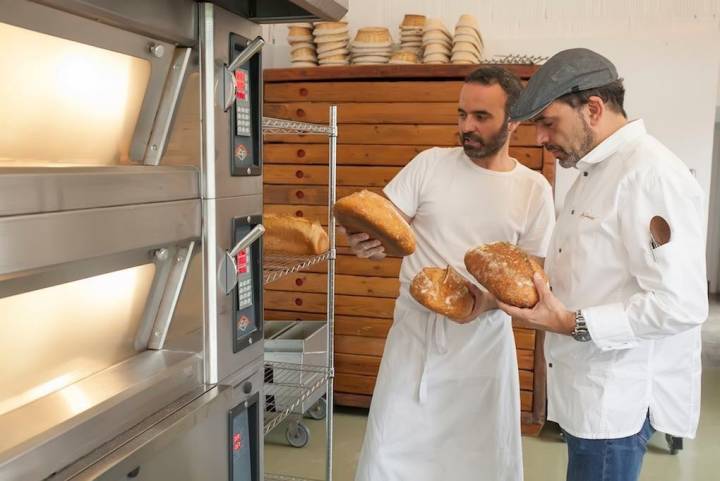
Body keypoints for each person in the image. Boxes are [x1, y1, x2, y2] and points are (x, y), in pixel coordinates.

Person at [498, 48, 709, 481]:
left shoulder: (649, 175)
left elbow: (681, 304)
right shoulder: (594, 172)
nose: (540, 138)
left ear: (592, 108)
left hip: (615, 405)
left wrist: (572, 323)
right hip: (584, 391)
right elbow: (593, 268)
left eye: (548, 123)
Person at [345, 66, 556, 481]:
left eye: (481, 117)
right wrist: (365, 241)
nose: (466, 127)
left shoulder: (533, 190)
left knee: (477, 463)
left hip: (483, 346)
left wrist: (488, 302)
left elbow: (535, 283)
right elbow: (382, 222)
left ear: (513, 121)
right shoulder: (430, 165)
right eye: (462, 115)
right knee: (389, 457)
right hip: (416, 339)